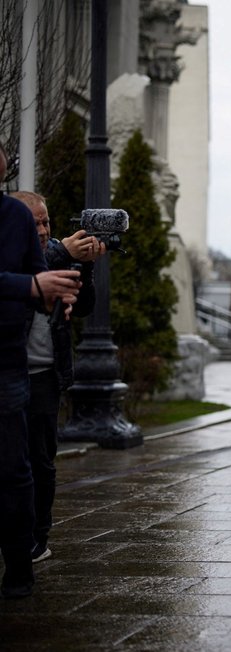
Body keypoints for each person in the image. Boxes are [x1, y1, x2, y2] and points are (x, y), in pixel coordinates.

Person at [0, 143, 81, 598]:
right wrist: (32, 284)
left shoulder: (12, 218)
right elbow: (31, 277)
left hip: (12, 359)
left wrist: (57, 294)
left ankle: (22, 562)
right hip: (17, 361)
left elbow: (37, 273)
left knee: (21, 466)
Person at [12, 191, 103, 565]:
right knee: (14, 463)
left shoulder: (56, 253)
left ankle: (38, 537)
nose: (43, 229)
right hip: (12, 371)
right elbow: (26, 281)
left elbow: (83, 305)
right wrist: (64, 253)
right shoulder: (12, 256)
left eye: (46, 220)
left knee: (42, 461)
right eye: (34, 222)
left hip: (46, 373)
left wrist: (86, 266)